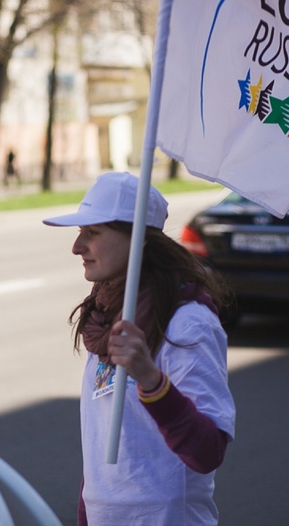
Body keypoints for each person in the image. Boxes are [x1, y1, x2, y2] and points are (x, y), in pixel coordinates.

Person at [43, 172, 236, 525]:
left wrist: (151, 380)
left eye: (93, 232)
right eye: (80, 231)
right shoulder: (106, 317)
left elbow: (208, 451)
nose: (77, 246)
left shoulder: (188, 323)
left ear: (138, 241)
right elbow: (102, 456)